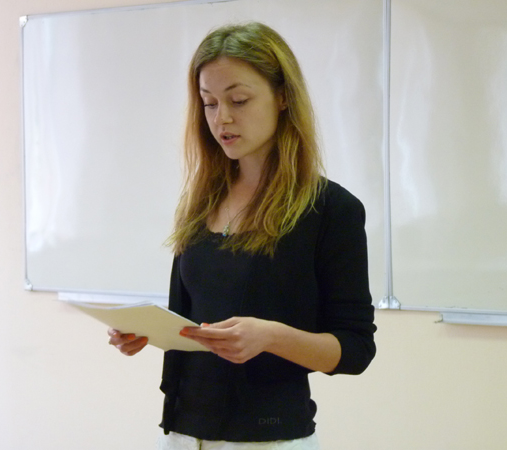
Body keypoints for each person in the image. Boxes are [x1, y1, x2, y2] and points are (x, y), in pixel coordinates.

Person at [108, 22, 376, 449]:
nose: (222, 119)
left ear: (283, 97)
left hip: (268, 437)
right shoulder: (201, 201)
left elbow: (356, 349)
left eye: (239, 100)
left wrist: (270, 337)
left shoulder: (331, 210)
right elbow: (192, 320)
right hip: (183, 432)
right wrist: (149, 332)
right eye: (209, 103)